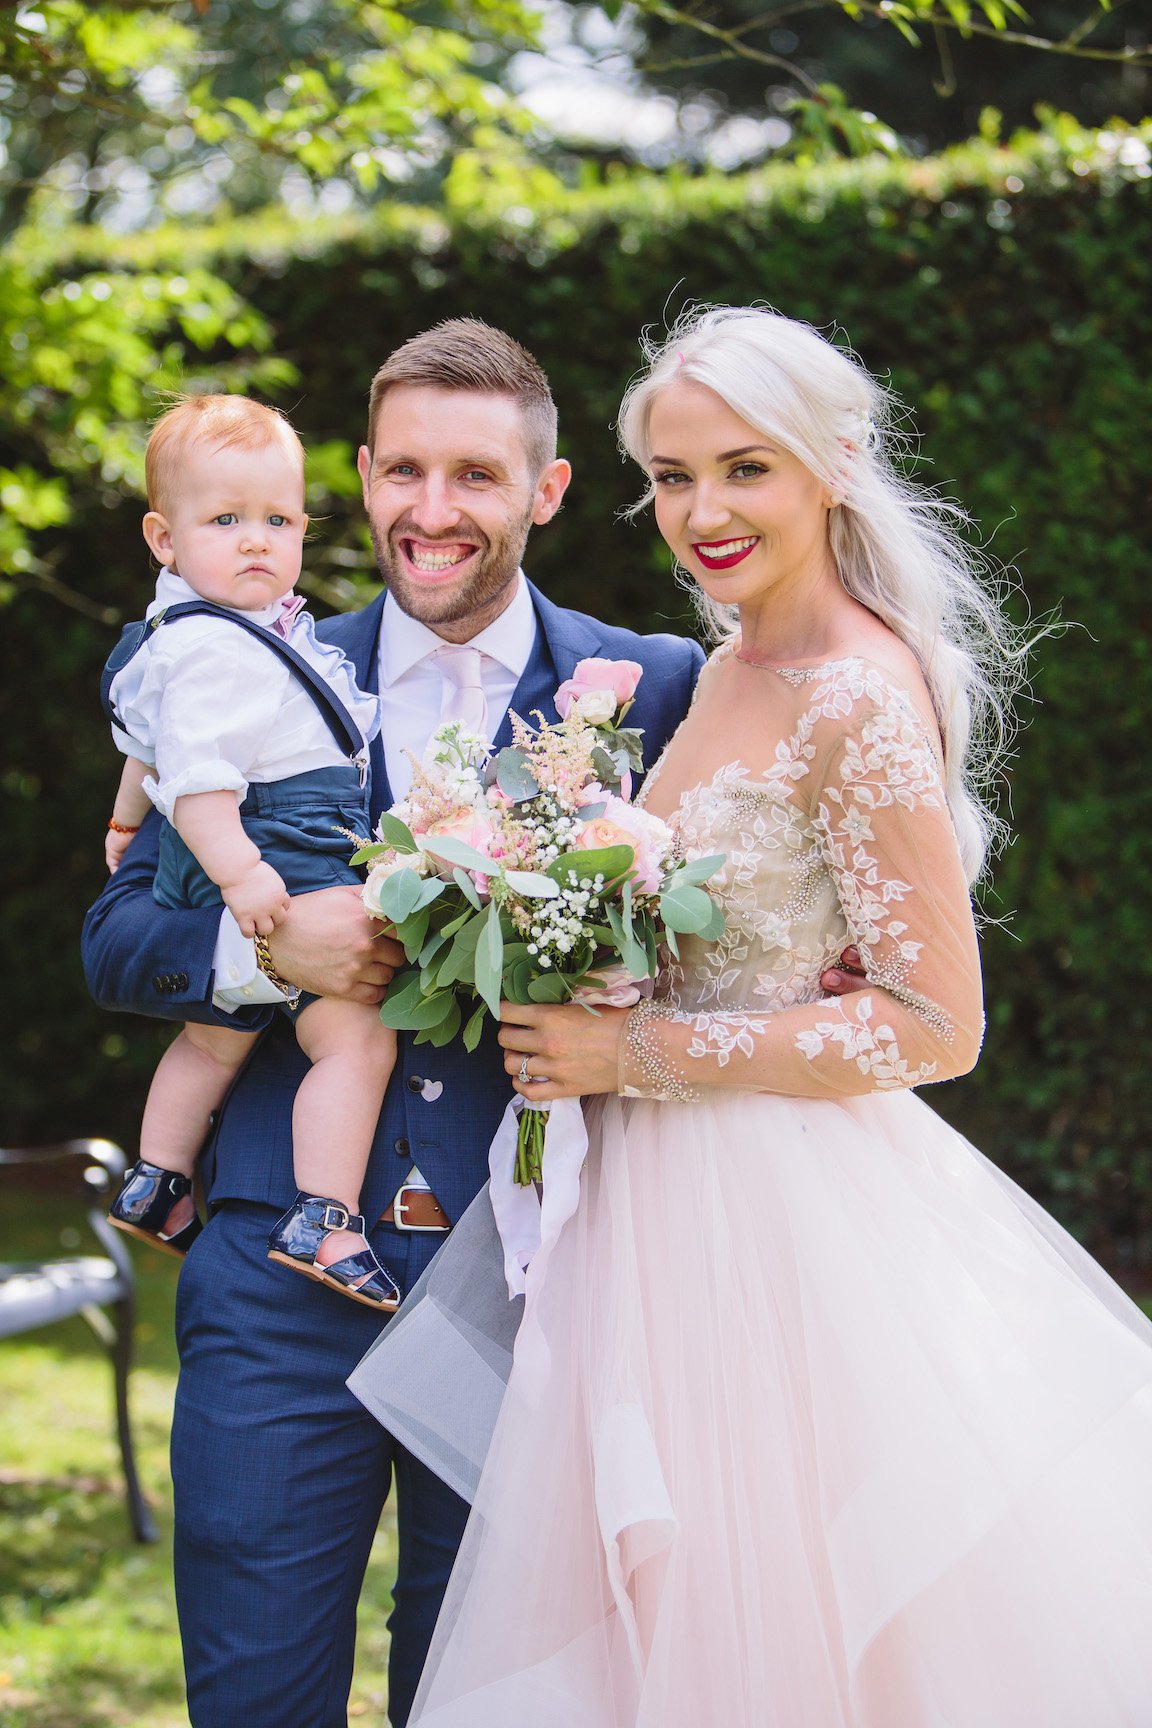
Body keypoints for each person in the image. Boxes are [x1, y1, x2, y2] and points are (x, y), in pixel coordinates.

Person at [404, 308, 1152, 1727]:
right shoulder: (731, 668)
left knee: (779, 1615)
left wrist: (638, 1050)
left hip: (778, 1235)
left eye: (744, 469)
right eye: (674, 478)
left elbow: (935, 1023)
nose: (703, 513)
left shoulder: (858, 694)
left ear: (835, 466)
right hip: (651, 1212)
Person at [84, 320, 742, 1727]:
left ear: (546, 491)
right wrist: (269, 941)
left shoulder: (659, 686)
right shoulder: (244, 661)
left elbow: (730, 959)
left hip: (537, 1293)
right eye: (403, 473)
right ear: (365, 477)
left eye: (475, 476)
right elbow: (117, 937)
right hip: (274, 1272)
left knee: (487, 1698)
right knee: (255, 1694)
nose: (432, 512)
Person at [102, 394, 401, 1309]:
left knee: (211, 1038)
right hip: (276, 848)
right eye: (224, 520)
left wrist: (123, 825)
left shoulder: (185, 633)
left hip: (233, 842)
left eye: (277, 520)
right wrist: (242, 876)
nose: (255, 540)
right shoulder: (224, 649)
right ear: (164, 537)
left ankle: (155, 1179)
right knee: (354, 1039)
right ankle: (326, 1213)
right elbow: (195, 778)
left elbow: (146, 747)